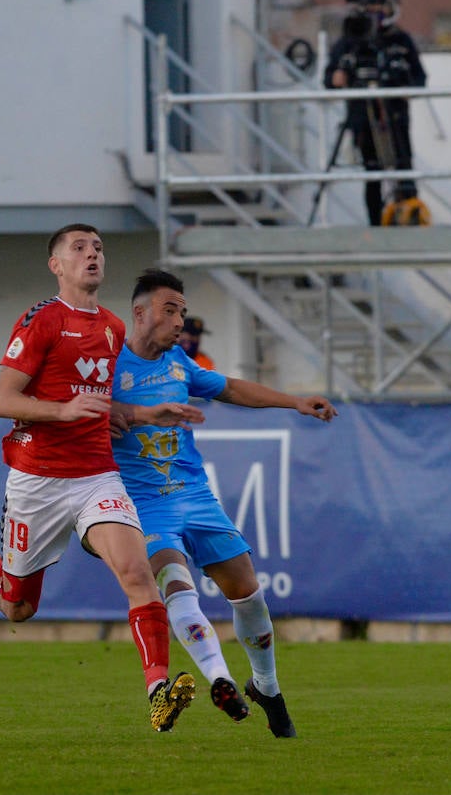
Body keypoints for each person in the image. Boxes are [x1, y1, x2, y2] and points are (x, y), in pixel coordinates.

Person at [0, 223, 206, 732]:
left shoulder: (114, 327)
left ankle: (158, 692)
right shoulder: (41, 321)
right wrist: (62, 409)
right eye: (79, 248)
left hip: (97, 476)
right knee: (17, 607)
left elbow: (98, 404)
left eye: (98, 248)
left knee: (138, 575)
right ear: (57, 264)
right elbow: (2, 401)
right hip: (36, 481)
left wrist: (143, 414)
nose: (92, 255)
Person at [112, 267, 336, 738]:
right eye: (170, 310)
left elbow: (230, 388)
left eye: (183, 312)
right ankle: (220, 678)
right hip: (144, 503)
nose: (179, 322)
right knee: (175, 580)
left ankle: (267, 686)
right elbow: (86, 414)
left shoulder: (177, 363)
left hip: (194, 495)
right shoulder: (106, 364)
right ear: (139, 312)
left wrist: (294, 402)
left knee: (247, 591)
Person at [323, 0, 428, 227]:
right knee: (372, 173)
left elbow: (419, 77)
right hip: (362, 118)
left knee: (404, 166)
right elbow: (328, 80)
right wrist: (337, 78)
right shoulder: (348, 43)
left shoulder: (399, 40)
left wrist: (404, 87)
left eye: (376, 6)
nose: (372, 12)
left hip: (395, 116)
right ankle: (375, 225)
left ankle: (408, 217)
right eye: (365, 7)